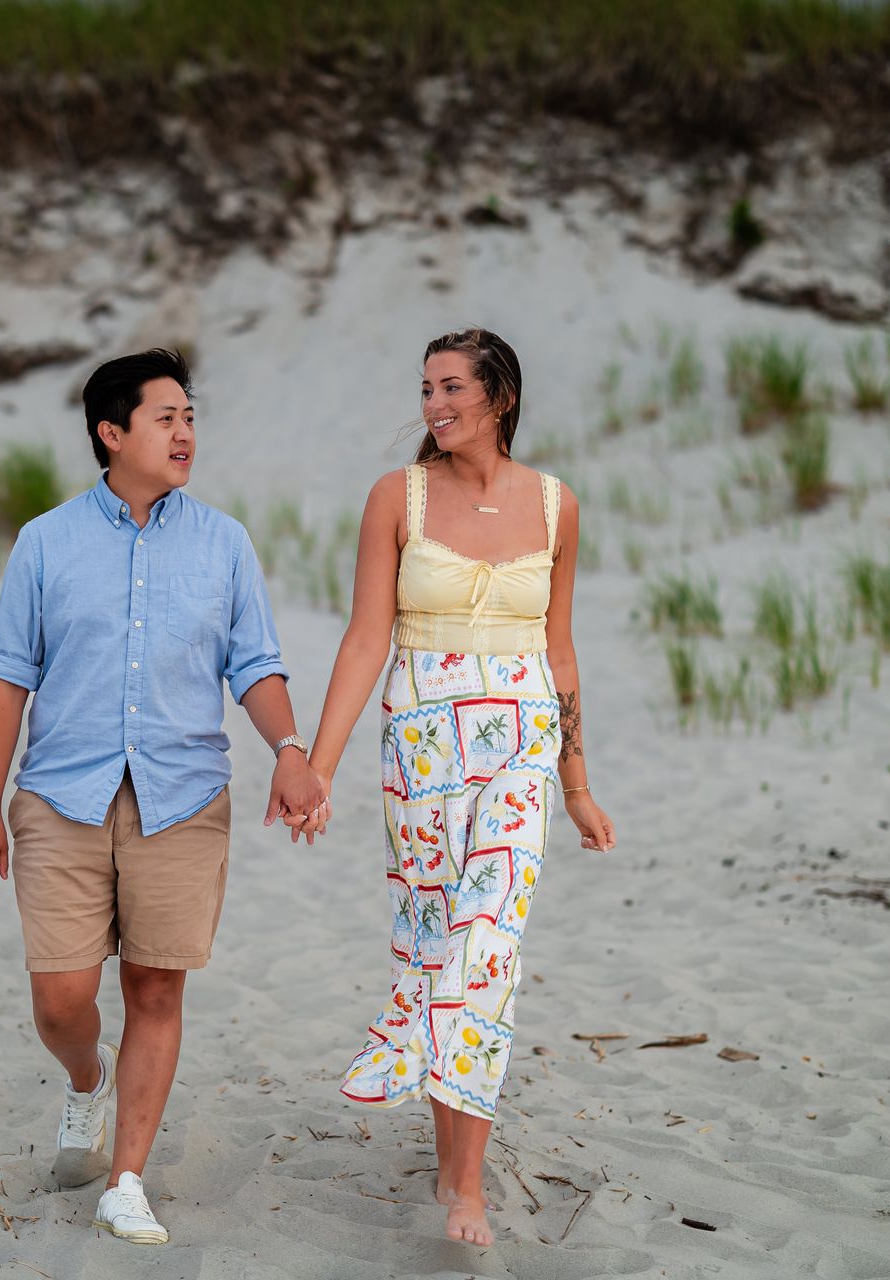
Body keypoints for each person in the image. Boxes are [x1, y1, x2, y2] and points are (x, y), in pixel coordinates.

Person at [0, 348, 328, 1246]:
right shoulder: (44, 542)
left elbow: (257, 665)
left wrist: (288, 748)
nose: (185, 433)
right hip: (60, 797)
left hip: (184, 797)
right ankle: (87, 1082)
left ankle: (127, 1178)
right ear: (111, 433)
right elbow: (10, 681)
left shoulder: (224, 542)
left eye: (190, 417)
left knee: (156, 989)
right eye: (166, 418)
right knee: (61, 999)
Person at [300, 327, 617, 1246]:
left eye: (451, 389)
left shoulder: (557, 505)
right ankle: (448, 1166)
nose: (434, 405)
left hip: (519, 750)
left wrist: (577, 784)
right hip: (422, 752)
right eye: (426, 388)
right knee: (436, 942)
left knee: (489, 948)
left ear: (499, 398)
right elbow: (365, 639)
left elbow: (560, 651)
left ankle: (468, 1187)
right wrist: (319, 767)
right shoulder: (395, 498)